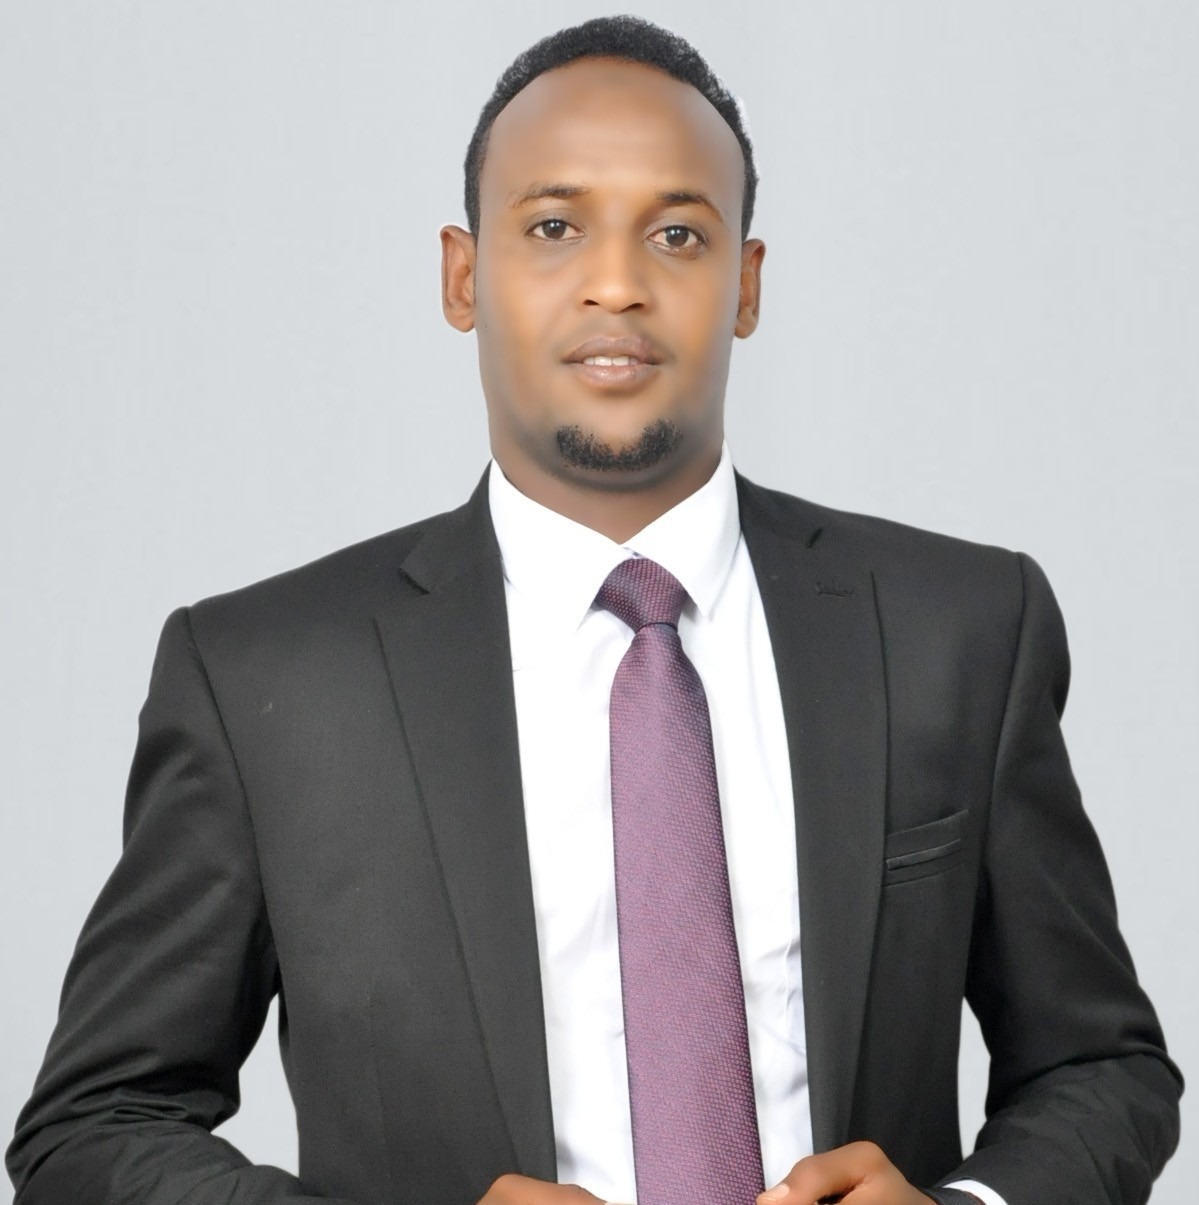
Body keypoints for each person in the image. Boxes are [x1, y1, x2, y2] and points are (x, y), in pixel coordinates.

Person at [6, 15, 1181, 1205]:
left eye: (677, 234)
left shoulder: (956, 629)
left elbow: (1100, 1066)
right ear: (463, 276)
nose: (616, 283)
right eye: (553, 227)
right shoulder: (265, 676)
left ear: (744, 285)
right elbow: (92, 1127)